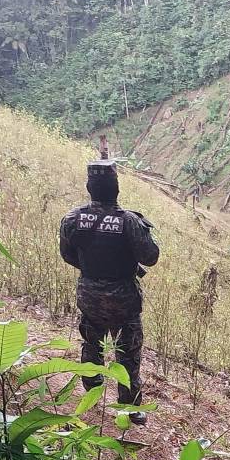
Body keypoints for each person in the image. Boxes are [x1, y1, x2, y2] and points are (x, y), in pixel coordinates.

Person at [60, 159, 159, 426]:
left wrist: (94, 272)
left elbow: (67, 255)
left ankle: (91, 389)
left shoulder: (72, 219)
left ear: (89, 187)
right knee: (128, 352)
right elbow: (150, 257)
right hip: (124, 299)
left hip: (89, 295)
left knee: (92, 343)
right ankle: (129, 408)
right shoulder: (129, 222)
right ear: (116, 188)